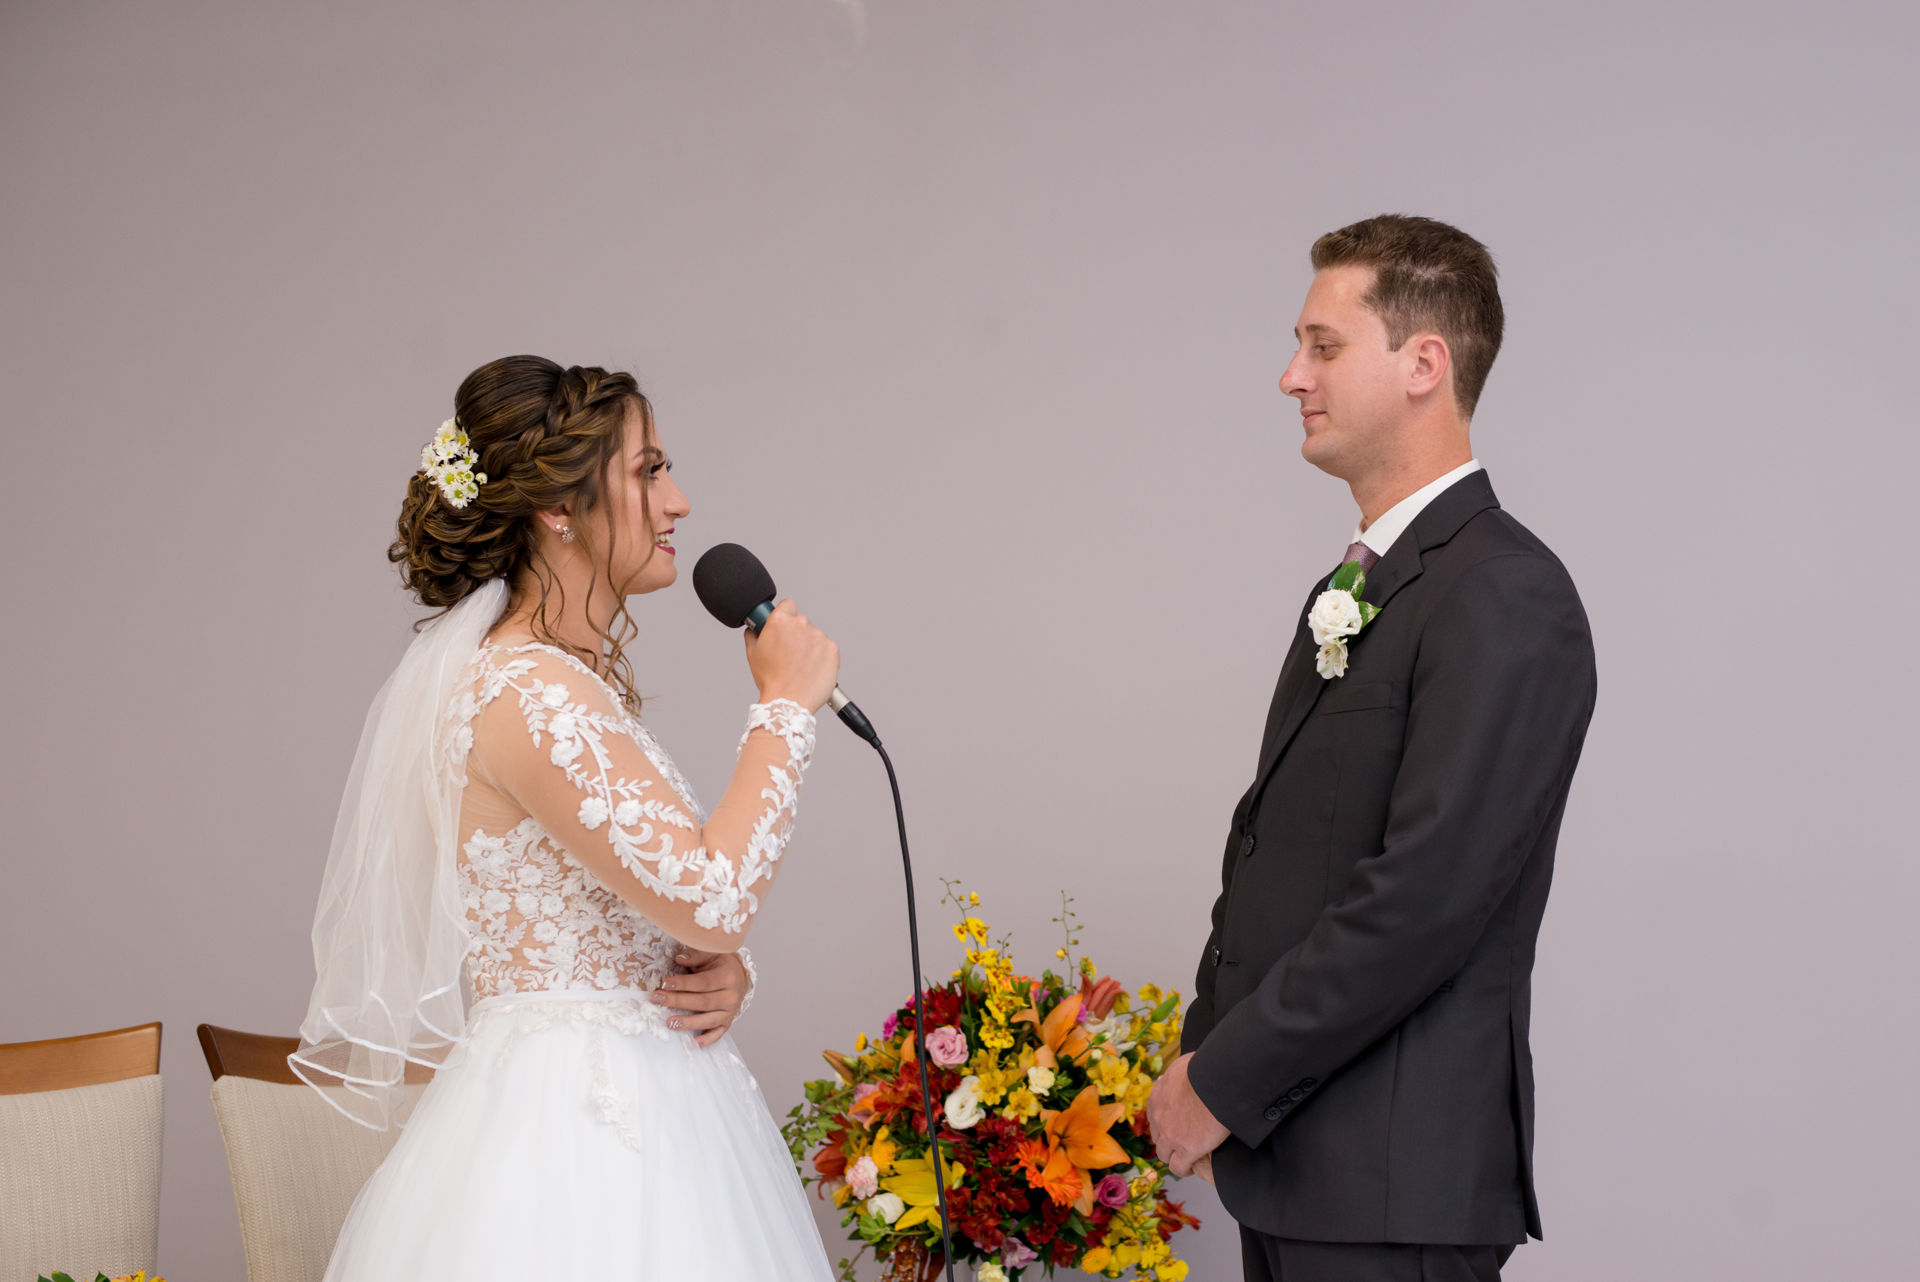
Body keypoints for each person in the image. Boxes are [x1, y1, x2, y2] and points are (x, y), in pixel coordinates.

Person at [291, 355, 843, 1277]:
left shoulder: (562, 682)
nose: (679, 503)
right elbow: (710, 895)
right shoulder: (525, 691)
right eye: (648, 470)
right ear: (558, 509)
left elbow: (651, 903)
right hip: (573, 1142)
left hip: (654, 1111)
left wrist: (722, 972)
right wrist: (784, 708)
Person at [1147, 215, 1598, 1282]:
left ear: (1423, 364)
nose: (1290, 375)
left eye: (1324, 345)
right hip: (1307, 1169)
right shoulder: (1356, 587)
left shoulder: (1504, 591)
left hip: (1395, 1188)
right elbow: (1272, 849)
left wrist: (1223, 1078)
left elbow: (1424, 897)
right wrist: (1203, 1054)